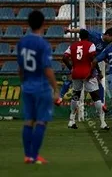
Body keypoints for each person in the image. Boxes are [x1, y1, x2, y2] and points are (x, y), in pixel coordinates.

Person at [17, 10, 60, 164]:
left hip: (27, 86)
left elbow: (20, 68)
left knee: (29, 120)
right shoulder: (43, 44)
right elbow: (47, 68)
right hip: (41, 87)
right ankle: (35, 156)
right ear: (43, 24)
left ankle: (28, 155)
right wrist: (55, 88)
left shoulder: (22, 42)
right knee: (41, 121)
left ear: (28, 24)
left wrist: (23, 82)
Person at [62, 29, 109, 130]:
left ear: (79, 37)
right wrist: (98, 72)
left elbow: (64, 58)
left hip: (76, 73)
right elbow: (93, 59)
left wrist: (71, 68)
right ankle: (102, 122)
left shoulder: (73, 46)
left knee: (76, 95)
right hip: (88, 73)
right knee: (95, 97)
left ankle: (71, 120)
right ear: (88, 37)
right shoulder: (91, 45)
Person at [64, 26, 112, 107]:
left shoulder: (107, 44)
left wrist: (105, 60)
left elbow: (100, 55)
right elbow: (81, 30)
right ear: (108, 35)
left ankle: (101, 104)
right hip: (84, 61)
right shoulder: (94, 35)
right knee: (73, 80)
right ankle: (100, 104)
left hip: (92, 63)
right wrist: (70, 30)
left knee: (97, 81)